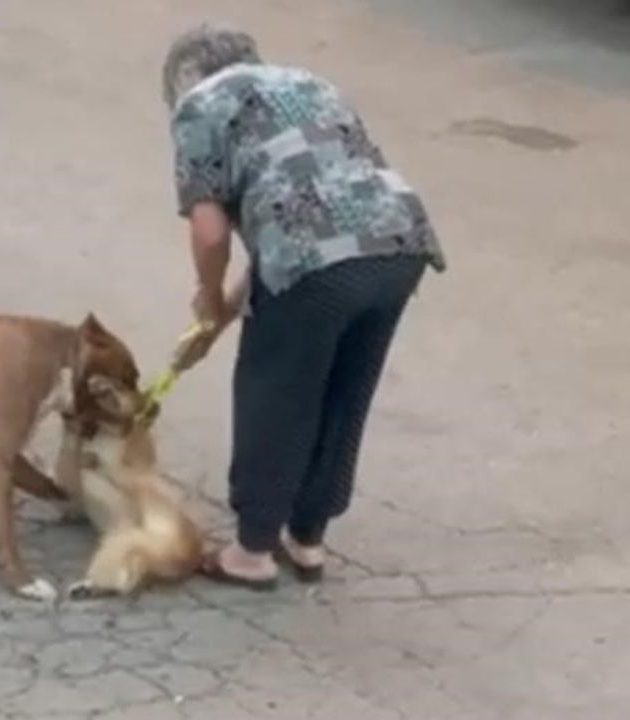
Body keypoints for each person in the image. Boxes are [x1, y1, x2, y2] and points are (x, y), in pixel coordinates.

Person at [163, 24, 447, 589]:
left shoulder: (199, 106)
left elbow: (213, 233)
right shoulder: (309, 84)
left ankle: (252, 551)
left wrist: (208, 296)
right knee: (346, 390)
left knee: (275, 392)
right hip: (397, 244)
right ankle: (308, 537)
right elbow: (301, 228)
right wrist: (222, 317)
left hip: (314, 262)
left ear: (182, 82)